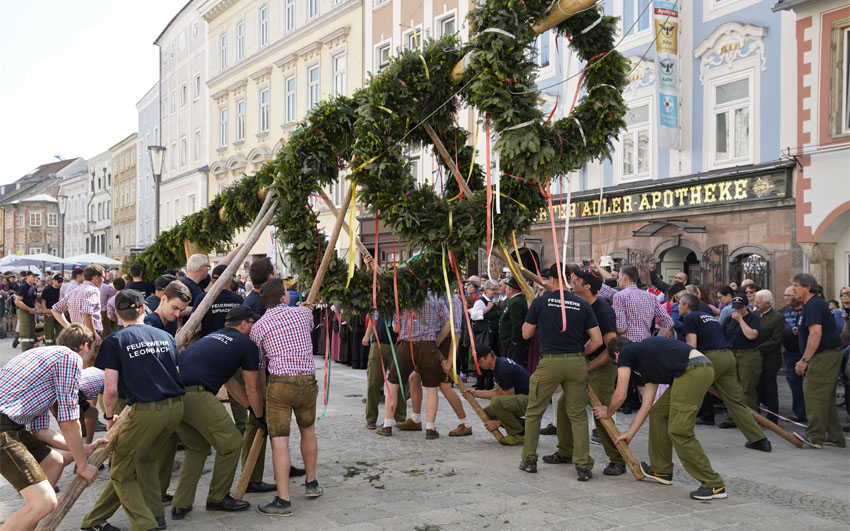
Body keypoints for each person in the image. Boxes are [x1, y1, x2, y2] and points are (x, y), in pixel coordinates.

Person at [81, 289, 185, 531]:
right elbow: (176, 373)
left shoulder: (114, 341)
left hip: (147, 412)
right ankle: (153, 516)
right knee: (146, 460)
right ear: (142, 310)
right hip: (176, 408)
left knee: (120, 473)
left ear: (117, 314)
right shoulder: (164, 336)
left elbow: (111, 390)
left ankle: (146, 525)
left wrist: (109, 418)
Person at [594, 335, 726, 500]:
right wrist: (630, 433)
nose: (618, 365)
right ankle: (661, 470)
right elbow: (647, 405)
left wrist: (607, 412)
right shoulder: (646, 357)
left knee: (679, 430)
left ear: (617, 353)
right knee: (659, 412)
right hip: (695, 368)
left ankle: (713, 484)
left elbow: (620, 395)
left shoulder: (626, 352)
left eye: (616, 362)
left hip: (693, 369)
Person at [0, 324, 103, 530]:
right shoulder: (70, 359)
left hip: (11, 424)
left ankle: (27, 518)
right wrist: (82, 465)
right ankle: (35, 508)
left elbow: (41, 431)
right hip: (3, 426)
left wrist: (80, 450)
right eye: (93, 349)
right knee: (45, 502)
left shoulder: (46, 357)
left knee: (54, 461)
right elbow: (68, 420)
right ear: (85, 346)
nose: (92, 355)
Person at [170, 305, 266, 519]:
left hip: (173, 395)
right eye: (253, 323)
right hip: (196, 394)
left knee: (197, 447)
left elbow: (230, 382)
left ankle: (181, 503)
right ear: (244, 324)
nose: (255, 328)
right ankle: (218, 497)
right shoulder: (247, 345)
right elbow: (252, 387)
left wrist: (251, 409)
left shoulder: (213, 337)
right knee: (232, 443)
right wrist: (261, 416)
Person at [519, 263, 602, 480]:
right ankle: (583, 465)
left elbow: (526, 334)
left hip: (551, 362)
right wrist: (580, 354)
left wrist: (532, 313)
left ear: (553, 280)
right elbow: (597, 340)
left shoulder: (541, 301)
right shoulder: (582, 304)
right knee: (578, 416)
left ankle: (529, 459)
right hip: (576, 362)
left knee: (534, 412)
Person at [249, 279, 323, 517]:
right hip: (307, 379)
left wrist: (260, 398)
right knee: (308, 430)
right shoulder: (302, 315)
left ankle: (283, 500)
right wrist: (305, 307)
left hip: (280, 383)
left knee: (279, 440)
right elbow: (308, 315)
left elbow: (261, 366)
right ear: (283, 297)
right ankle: (311, 483)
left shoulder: (258, 327)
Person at [545, 268, 625, 475]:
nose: (572, 280)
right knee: (563, 404)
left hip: (602, 366)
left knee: (601, 411)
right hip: (584, 362)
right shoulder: (578, 304)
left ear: (587, 286)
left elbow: (611, 348)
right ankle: (566, 451)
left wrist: (587, 366)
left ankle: (618, 459)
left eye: (576, 279)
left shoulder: (603, 311)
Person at [678, 293, 771, 452]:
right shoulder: (708, 317)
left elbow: (691, 346)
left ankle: (680, 436)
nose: (678, 306)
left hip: (712, 357)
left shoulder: (690, 318)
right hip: (728, 356)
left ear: (686, 306)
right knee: (735, 402)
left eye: (679, 303)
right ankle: (759, 439)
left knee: (688, 393)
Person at [376, 292, 450, 439]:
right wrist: (438, 341)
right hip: (429, 345)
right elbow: (448, 323)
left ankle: (387, 425)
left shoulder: (403, 297)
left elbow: (396, 328)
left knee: (393, 384)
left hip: (406, 345)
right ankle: (430, 428)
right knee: (431, 388)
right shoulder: (437, 298)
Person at [792, 273, 846, 448]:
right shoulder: (812, 305)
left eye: (796, 285)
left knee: (814, 392)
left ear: (807, 287)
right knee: (826, 397)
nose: (794, 289)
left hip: (823, 355)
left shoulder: (814, 305)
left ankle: (815, 436)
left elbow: (816, 333)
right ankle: (836, 437)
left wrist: (804, 360)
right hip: (826, 354)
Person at [464, 344, 530, 445]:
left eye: (480, 361)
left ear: (489, 356)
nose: (479, 365)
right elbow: (498, 392)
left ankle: (519, 434)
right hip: (523, 399)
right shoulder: (498, 365)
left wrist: (497, 423)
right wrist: (475, 393)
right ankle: (526, 428)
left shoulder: (503, 369)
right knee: (487, 412)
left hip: (531, 401)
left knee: (497, 403)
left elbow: (507, 398)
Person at [52, 265, 106, 362]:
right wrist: (94, 333)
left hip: (77, 335)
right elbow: (86, 313)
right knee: (90, 367)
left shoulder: (76, 290)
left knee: (78, 365)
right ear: (96, 277)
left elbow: (55, 309)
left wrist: (69, 327)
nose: (103, 280)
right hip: (89, 337)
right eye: (103, 277)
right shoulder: (93, 290)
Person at [362, 310, 406, 430]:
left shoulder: (402, 298)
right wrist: (367, 335)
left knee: (399, 382)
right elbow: (374, 317)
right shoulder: (380, 295)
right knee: (373, 381)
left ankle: (400, 417)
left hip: (398, 343)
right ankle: (371, 418)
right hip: (378, 342)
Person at [722, 295, 761, 425]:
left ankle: (750, 419)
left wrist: (740, 321)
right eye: (735, 308)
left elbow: (751, 335)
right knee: (732, 388)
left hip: (748, 354)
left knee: (747, 388)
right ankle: (732, 417)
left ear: (746, 306)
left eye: (741, 308)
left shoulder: (753, 318)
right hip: (733, 353)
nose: (737, 310)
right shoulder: (729, 319)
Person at [612, 265, 674, 342]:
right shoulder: (651, 297)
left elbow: (621, 329)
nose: (618, 280)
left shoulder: (619, 296)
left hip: (627, 344)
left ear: (625, 277)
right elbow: (668, 322)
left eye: (619, 277)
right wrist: (656, 339)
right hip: (646, 344)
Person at [754, 290, 784, 424]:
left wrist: (759, 349)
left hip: (770, 359)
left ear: (767, 303)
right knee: (756, 388)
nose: (755, 304)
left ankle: (772, 418)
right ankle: (757, 415)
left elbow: (776, 339)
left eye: (758, 302)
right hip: (754, 359)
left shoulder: (777, 317)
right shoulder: (753, 315)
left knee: (770, 389)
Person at [191, 266, 244, 338]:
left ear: (212, 280)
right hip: (233, 342)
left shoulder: (202, 298)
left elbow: (192, 324)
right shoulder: (238, 299)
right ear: (229, 280)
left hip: (208, 343)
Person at [779, 287, 806, 422]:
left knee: (807, 384)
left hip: (803, 351)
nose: (787, 298)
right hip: (789, 352)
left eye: (789, 295)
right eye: (785, 295)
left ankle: (807, 411)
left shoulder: (804, 309)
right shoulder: (782, 312)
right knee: (794, 384)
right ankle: (799, 412)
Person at [499, 277, 530, 366]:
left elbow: (516, 323)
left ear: (511, 289)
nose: (506, 290)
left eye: (507, 288)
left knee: (513, 364)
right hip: (510, 340)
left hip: (513, 342)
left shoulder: (516, 302)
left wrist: (514, 340)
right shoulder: (515, 300)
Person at [15, 271, 39, 352]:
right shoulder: (23, 287)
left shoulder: (33, 287)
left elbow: (35, 301)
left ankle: (29, 351)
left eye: (36, 276)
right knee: (26, 332)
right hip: (24, 312)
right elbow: (17, 301)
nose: (35, 278)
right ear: (27, 276)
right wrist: (30, 309)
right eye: (33, 276)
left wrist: (36, 308)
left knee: (31, 332)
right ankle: (25, 351)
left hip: (31, 312)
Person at [41, 274, 63, 346]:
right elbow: (43, 302)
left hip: (59, 313)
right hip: (49, 313)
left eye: (61, 281)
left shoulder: (62, 290)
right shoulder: (47, 290)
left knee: (60, 333)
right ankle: (48, 347)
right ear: (54, 281)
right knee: (48, 333)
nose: (60, 283)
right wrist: (46, 312)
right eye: (58, 281)